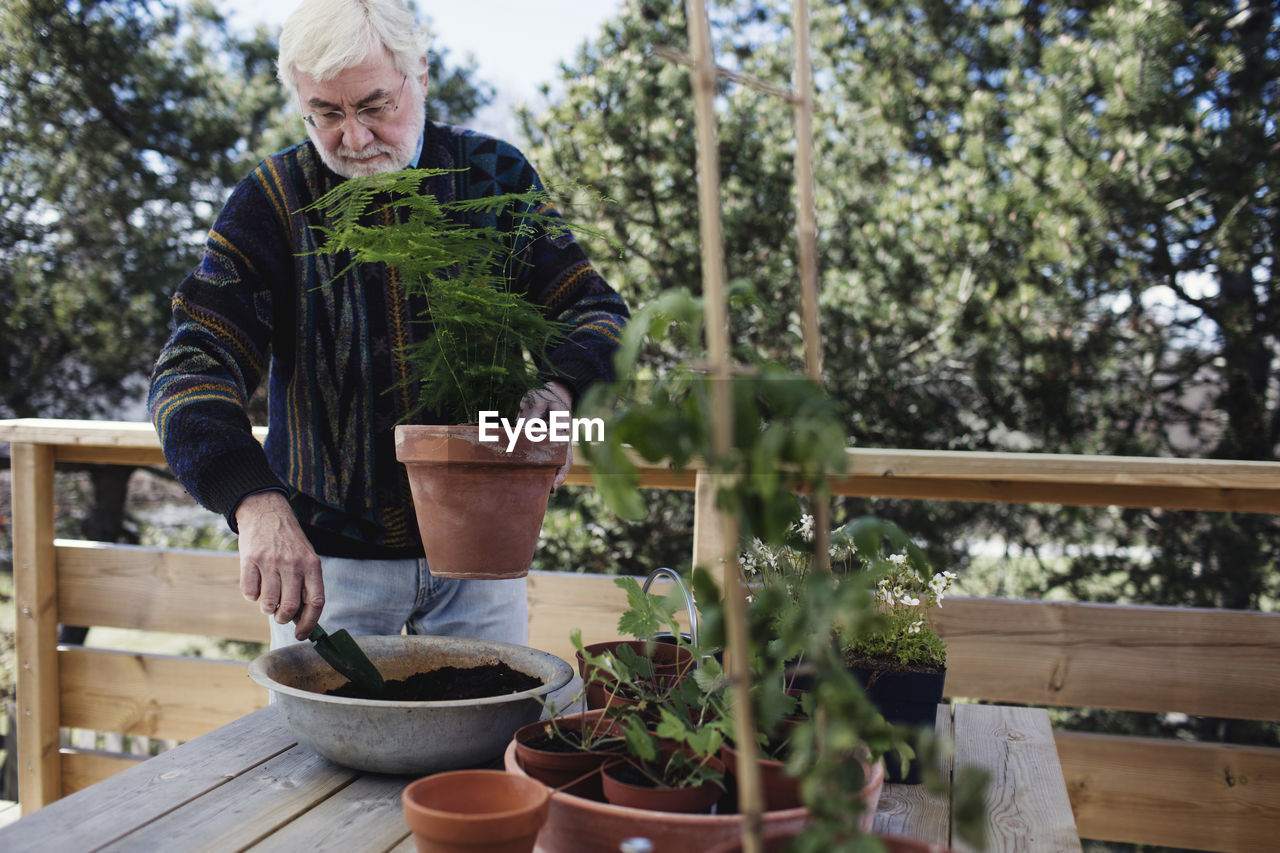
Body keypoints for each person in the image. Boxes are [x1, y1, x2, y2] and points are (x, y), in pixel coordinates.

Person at [147, 0, 628, 650]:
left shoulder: (493, 178)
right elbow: (191, 366)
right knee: (328, 752)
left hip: (484, 557)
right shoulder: (272, 201)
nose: (354, 137)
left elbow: (593, 308)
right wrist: (252, 501)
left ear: (420, 75)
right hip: (327, 570)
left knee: (482, 743)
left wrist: (562, 391)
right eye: (326, 113)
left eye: (374, 106)